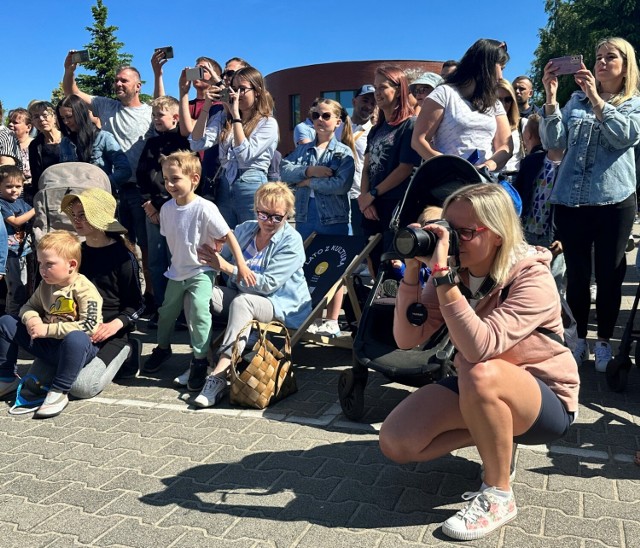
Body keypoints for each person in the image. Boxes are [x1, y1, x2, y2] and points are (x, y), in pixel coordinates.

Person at [380, 183, 579, 541]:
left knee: (476, 367)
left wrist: (441, 276)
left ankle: (498, 494)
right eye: (448, 230)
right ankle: (496, 436)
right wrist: (412, 273)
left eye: (465, 233)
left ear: (499, 235)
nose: (453, 241)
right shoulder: (456, 270)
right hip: (481, 384)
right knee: (397, 442)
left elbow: (479, 347)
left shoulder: (532, 277)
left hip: (544, 399)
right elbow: (407, 339)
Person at [539, 37, 640, 372]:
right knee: (578, 276)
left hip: (613, 200)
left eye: (610, 57)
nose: (601, 62)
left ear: (625, 65)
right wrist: (551, 99)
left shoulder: (633, 103)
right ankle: (579, 338)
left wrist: (597, 99)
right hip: (572, 200)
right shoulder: (575, 102)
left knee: (610, 275)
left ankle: (605, 343)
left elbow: (623, 136)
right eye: (598, 57)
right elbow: (554, 144)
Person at [141, 151, 253, 393]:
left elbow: (228, 235)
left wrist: (241, 264)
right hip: (176, 272)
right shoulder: (168, 209)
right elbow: (175, 237)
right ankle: (162, 348)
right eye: (166, 179)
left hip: (201, 271)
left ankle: (200, 360)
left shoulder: (205, 208)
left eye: (175, 179)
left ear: (194, 179)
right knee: (166, 313)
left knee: (200, 312)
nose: (170, 185)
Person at [191, 182, 312, 407]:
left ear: (287, 215)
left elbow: (267, 286)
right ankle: (201, 362)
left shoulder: (291, 241)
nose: (268, 222)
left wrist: (226, 268)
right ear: (256, 209)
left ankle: (220, 374)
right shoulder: (246, 229)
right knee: (199, 294)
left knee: (243, 302)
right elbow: (220, 256)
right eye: (263, 214)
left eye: (277, 217)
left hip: (279, 304)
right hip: (241, 294)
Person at [0, 230, 103, 418]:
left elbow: (90, 326)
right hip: (48, 343)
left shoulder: (84, 288)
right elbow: (28, 306)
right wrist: (32, 318)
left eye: (49, 265)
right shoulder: (46, 285)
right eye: (40, 264)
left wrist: (47, 329)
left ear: (71, 265)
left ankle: (59, 391)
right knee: (6, 322)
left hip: (74, 350)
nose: (42, 270)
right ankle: (6, 377)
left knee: (77, 338)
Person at [63, 53, 154, 254]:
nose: (118, 84)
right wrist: (69, 70)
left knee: (146, 248)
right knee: (118, 244)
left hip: (141, 190)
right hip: (112, 191)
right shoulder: (106, 106)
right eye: (116, 80)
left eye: (124, 80)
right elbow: (72, 93)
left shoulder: (150, 112)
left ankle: (149, 286)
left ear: (138, 86)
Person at [280, 98, 356, 337]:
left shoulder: (343, 152)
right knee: (307, 266)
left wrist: (308, 182)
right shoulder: (303, 150)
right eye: (315, 116)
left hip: (334, 218)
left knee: (336, 266)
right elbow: (283, 170)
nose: (320, 120)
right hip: (305, 216)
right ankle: (312, 314)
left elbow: (340, 185)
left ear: (337, 122)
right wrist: (311, 171)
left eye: (325, 116)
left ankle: (332, 319)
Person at [59, 188, 145, 386]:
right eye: (74, 215)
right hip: (78, 329)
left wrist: (114, 325)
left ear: (100, 219)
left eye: (83, 215)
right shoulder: (77, 253)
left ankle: (130, 349)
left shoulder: (124, 257)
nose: (76, 220)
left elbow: (138, 305)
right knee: (49, 375)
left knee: (82, 386)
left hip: (111, 332)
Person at [190, 66, 279, 227]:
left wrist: (236, 117)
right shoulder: (224, 117)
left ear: (257, 91)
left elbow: (244, 154)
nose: (236, 95)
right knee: (227, 241)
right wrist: (206, 108)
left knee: (252, 238)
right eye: (234, 89)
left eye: (242, 89)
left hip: (251, 183)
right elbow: (197, 143)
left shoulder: (267, 122)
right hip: (225, 183)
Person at [357, 65, 422, 274]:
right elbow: (366, 167)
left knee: (394, 266)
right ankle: (375, 306)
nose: (377, 92)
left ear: (399, 89)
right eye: (375, 87)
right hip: (372, 206)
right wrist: (365, 197)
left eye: (383, 87)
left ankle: (396, 307)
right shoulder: (376, 130)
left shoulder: (410, 125)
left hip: (397, 205)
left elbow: (405, 168)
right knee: (374, 261)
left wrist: (373, 194)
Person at [412, 39, 512, 172]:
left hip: (483, 183)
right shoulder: (444, 93)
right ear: (485, 65)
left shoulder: (495, 104)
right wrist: (453, 168)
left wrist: (488, 166)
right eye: (501, 68)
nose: (501, 77)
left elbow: (505, 146)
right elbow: (419, 140)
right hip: (448, 183)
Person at [137, 95, 190, 317]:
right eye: (154, 115)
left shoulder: (185, 143)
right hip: (154, 211)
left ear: (175, 117)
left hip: (176, 207)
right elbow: (142, 175)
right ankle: (162, 308)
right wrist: (149, 204)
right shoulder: (151, 144)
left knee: (176, 259)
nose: (156, 119)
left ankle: (180, 310)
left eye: (160, 114)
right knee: (157, 262)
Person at [513, 114, 565, 292]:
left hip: (552, 236)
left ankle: (554, 315)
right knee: (523, 277)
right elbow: (518, 195)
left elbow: (573, 210)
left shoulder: (569, 167)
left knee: (553, 281)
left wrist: (563, 238)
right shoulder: (531, 162)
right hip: (526, 231)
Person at [57, 94, 132, 193]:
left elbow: (125, 170)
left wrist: (101, 185)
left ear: (81, 114)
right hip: (74, 199)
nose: (66, 122)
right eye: (62, 118)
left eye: (69, 117)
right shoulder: (65, 142)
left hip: (100, 197)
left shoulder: (104, 138)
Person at [0, 166, 34, 315]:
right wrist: (36, 209)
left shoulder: (21, 203)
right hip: (10, 254)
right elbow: (16, 221)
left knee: (24, 286)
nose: (14, 190)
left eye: (18, 186)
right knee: (15, 289)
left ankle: (18, 315)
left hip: (23, 251)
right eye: (9, 186)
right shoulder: (2, 203)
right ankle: (10, 317)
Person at [349, 85, 377, 237]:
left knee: (361, 245)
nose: (368, 106)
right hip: (337, 197)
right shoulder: (337, 128)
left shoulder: (374, 132)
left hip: (359, 197)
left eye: (373, 103)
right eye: (365, 100)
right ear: (354, 101)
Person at [27, 101, 62, 189]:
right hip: (49, 191)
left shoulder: (69, 138)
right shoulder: (34, 145)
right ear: (33, 123)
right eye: (36, 117)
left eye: (45, 115)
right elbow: (36, 177)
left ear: (54, 116)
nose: (41, 119)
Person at [497, 79, 524, 174]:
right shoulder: (484, 125)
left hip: (514, 180)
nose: (503, 104)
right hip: (489, 178)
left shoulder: (521, 124)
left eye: (508, 100)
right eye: (498, 100)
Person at [7, 108, 33, 189]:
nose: (10, 125)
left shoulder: (36, 145)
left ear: (28, 127)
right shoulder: (6, 145)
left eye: (15, 123)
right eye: (10, 122)